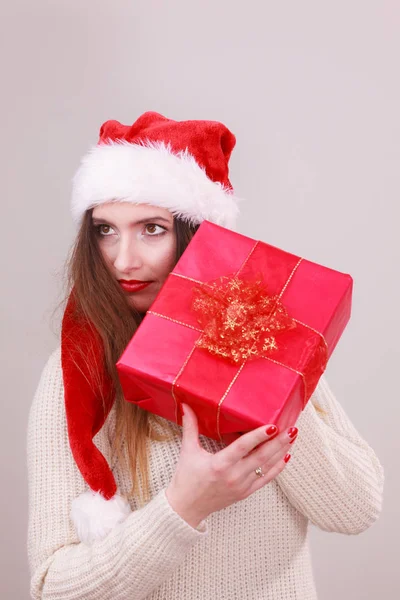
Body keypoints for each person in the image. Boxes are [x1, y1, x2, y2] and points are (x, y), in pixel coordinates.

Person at [27, 111, 384, 600]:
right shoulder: (75, 374)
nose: (124, 259)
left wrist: (265, 375)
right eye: (105, 230)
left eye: (152, 228)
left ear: (199, 236)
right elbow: (53, 587)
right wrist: (183, 506)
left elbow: (356, 508)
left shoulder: (265, 333)